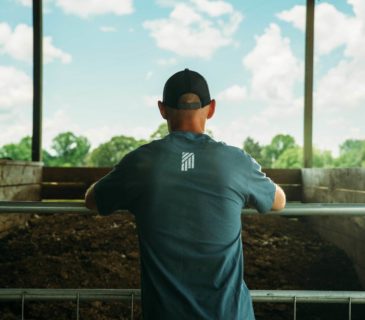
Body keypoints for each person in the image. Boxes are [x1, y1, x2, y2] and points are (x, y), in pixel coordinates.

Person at [85, 68, 286, 320]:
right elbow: (279, 201)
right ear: (211, 109)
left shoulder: (140, 163)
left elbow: (92, 199)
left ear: (162, 109)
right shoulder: (235, 161)